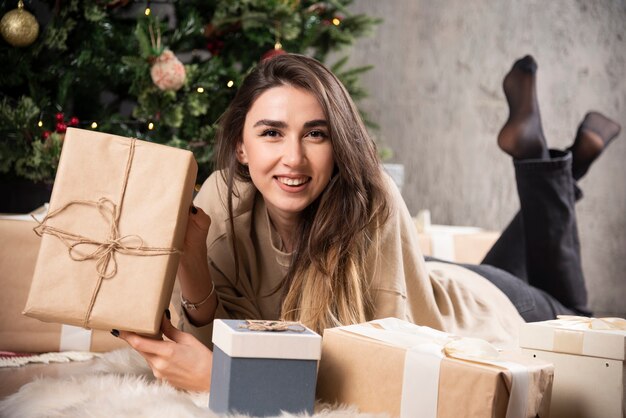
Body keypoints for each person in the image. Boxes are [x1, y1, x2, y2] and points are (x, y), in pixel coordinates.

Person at [115, 54, 621, 392]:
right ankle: (553, 165)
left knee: (578, 312)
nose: (293, 157)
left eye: (316, 134)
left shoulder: (369, 197)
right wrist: (191, 265)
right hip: (419, 272)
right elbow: (209, 339)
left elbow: (380, 377)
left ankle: (553, 165)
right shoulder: (221, 202)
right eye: (272, 133)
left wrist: (223, 379)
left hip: (481, 304)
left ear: (338, 147)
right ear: (242, 149)